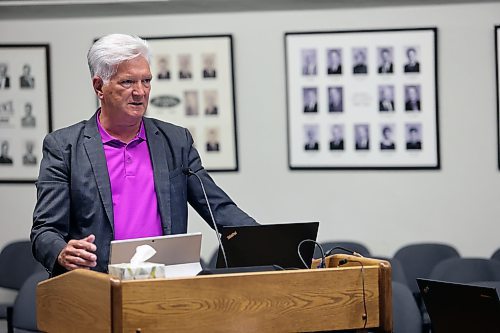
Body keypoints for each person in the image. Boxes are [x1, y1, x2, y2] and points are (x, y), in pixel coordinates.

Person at [31, 34, 257, 277]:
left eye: (146, 81)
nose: (140, 92)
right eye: (127, 82)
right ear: (99, 86)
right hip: (96, 285)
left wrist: (273, 242)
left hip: (164, 284)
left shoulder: (176, 141)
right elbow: (44, 231)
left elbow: (219, 208)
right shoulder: (64, 147)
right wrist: (62, 251)